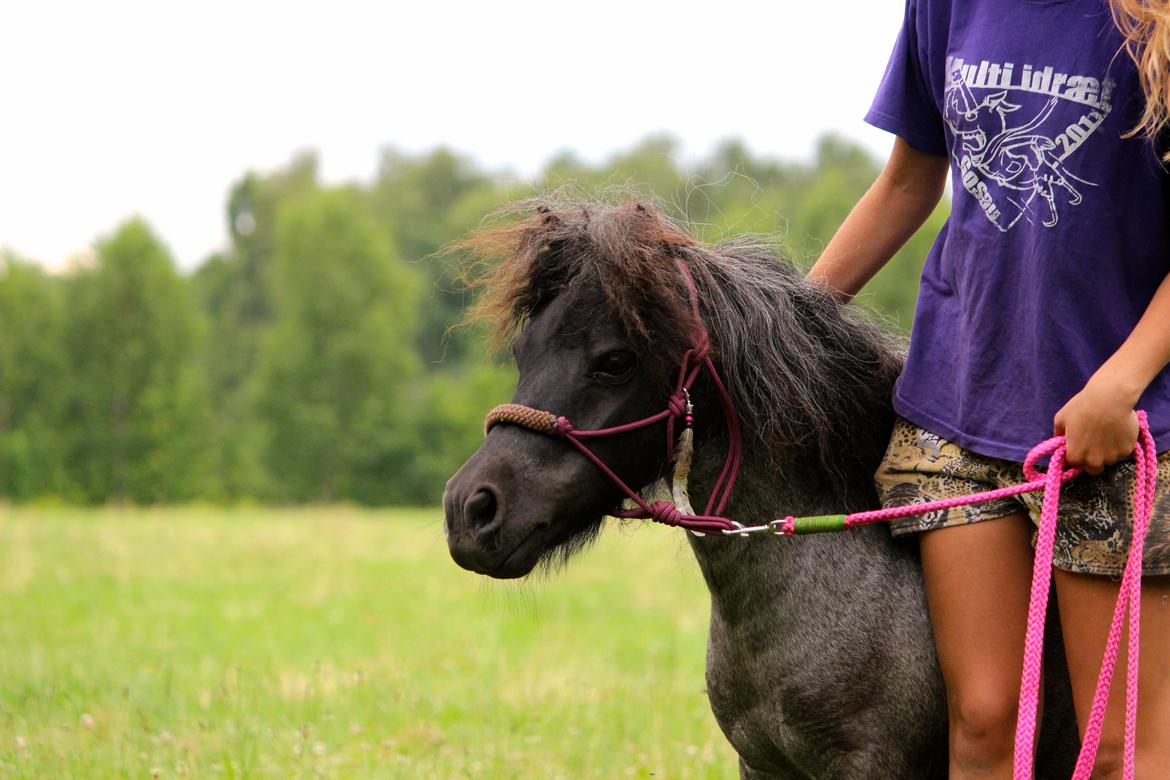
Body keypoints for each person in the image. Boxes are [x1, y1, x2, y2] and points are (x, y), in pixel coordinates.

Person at [807, 1, 1170, 778]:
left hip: (1115, 431)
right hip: (959, 405)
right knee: (980, 726)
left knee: (1118, 749)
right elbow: (907, 181)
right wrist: (786, 328)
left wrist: (1120, 382)